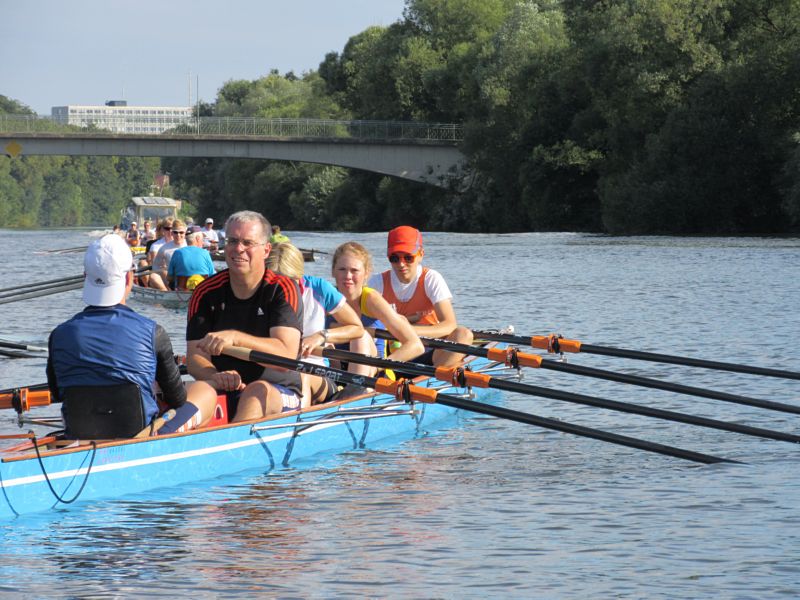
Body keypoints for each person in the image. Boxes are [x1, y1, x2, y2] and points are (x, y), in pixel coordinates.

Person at [46, 234, 215, 439]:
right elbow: (177, 398)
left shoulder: (58, 335)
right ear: (129, 278)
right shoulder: (154, 332)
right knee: (205, 391)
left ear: (85, 277)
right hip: (139, 435)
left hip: (80, 432)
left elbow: (57, 393)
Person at [186, 210, 304, 422]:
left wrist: (235, 337)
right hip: (225, 384)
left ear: (266, 250)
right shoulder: (205, 292)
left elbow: (285, 357)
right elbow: (195, 357)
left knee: (254, 393)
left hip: (279, 388)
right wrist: (214, 375)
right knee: (198, 388)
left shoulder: (282, 289)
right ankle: (163, 436)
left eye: (247, 242)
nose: (238, 249)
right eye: (232, 241)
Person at [266, 243, 364, 405]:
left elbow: (357, 328)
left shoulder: (319, 288)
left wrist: (321, 336)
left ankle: (300, 422)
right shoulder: (259, 291)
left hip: (315, 371)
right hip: (273, 371)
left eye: (290, 282)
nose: (282, 290)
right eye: (275, 283)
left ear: (300, 275)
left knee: (302, 375)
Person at [368, 226, 473, 367]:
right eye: (394, 258)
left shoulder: (431, 279)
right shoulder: (377, 282)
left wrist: (405, 330)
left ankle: (432, 377)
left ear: (421, 254)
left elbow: (449, 325)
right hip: (394, 353)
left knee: (463, 335)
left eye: (408, 257)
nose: (401, 264)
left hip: (430, 352)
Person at [331, 241, 424, 376]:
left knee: (360, 336)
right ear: (333, 271)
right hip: (337, 374)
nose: (348, 276)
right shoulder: (327, 297)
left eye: (354, 270)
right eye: (342, 269)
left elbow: (416, 346)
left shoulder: (371, 300)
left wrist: (376, 367)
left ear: (366, 274)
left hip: (376, 374)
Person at [149, 219, 188, 290]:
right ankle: (167, 293)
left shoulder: (189, 245)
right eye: (175, 232)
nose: (178, 235)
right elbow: (155, 266)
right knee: (153, 276)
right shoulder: (164, 248)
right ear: (172, 233)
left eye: (181, 232)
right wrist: (165, 273)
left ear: (185, 233)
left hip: (188, 277)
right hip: (172, 279)